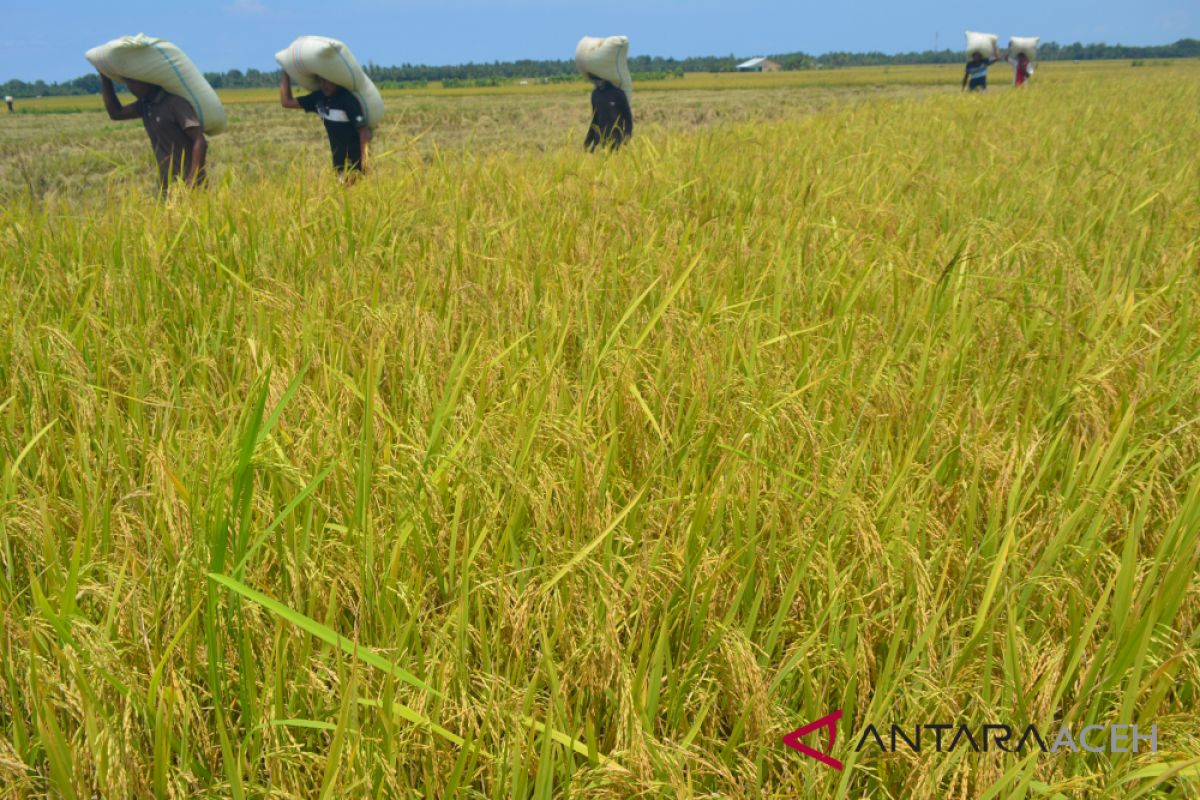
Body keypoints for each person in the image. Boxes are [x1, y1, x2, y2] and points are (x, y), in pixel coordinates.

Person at [99, 75, 207, 193]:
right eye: (128, 84)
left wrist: (193, 178)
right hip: (168, 186)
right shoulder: (145, 106)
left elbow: (200, 141)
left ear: (147, 81)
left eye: (133, 82)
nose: (130, 88)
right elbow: (115, 113)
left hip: (192, 185)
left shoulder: (175, 104)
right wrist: (105, 79)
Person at [279, 74, 371, 176]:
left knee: (351, 188)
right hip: (338, 160)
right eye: (321, 81)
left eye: (327, 81)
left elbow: (363, 131)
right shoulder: (318, 98)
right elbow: (286, 102)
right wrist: (286, 73)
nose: (323, 85)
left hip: (354, 159)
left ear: (335, 80)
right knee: (343, 189)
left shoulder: (347, 99)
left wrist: (364, 159)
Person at [584, 75, 632, 152]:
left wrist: (626, 137)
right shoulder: (595, 94)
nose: (596, 83)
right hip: (599, 140)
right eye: (594, 80)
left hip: (615, 140)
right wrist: (588, 141)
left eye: (598, 80)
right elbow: (595, 119)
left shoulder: (618, 94)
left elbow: (628, 117)